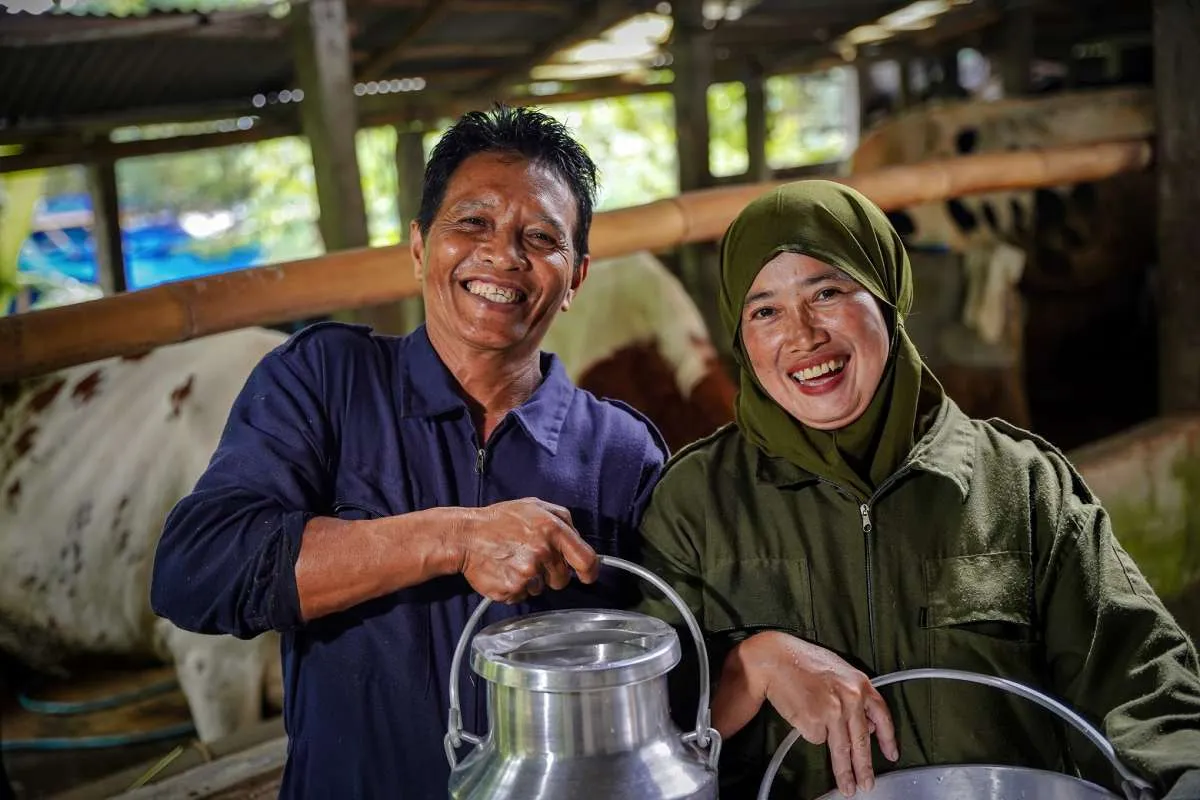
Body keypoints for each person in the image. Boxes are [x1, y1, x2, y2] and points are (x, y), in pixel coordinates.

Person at [150, 105, 668, 798]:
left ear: (574, 278)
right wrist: (454, 537)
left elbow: (682, 643)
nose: (503, 255)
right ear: (421, 248)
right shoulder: (326, 381)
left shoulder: (620, 451)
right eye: (473, 224)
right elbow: (196, 571)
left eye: (540, 237)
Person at [637, 179, 1200, 799]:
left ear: (887, 296)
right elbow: (640, 742)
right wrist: (751, 667)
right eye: (764, 310)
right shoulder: (695, 504)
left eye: (827, 292)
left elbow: (1143, 688)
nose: (801, 335)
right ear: (740, 338)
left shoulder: (1022, 483)